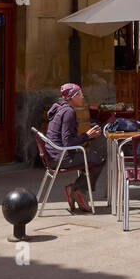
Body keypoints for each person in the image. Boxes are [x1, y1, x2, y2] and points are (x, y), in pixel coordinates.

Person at [44, 83, 105, 212]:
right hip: (62, 158)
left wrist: (88, 136)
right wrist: (87, 136)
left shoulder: (60, 108)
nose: (82, 97)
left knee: (91, 157)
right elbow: (68, 143)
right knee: (99, 159)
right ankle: (77, 190)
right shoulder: (69, 112)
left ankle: (77, 190)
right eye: (80, 94)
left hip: (54, 157)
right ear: (73, 96)